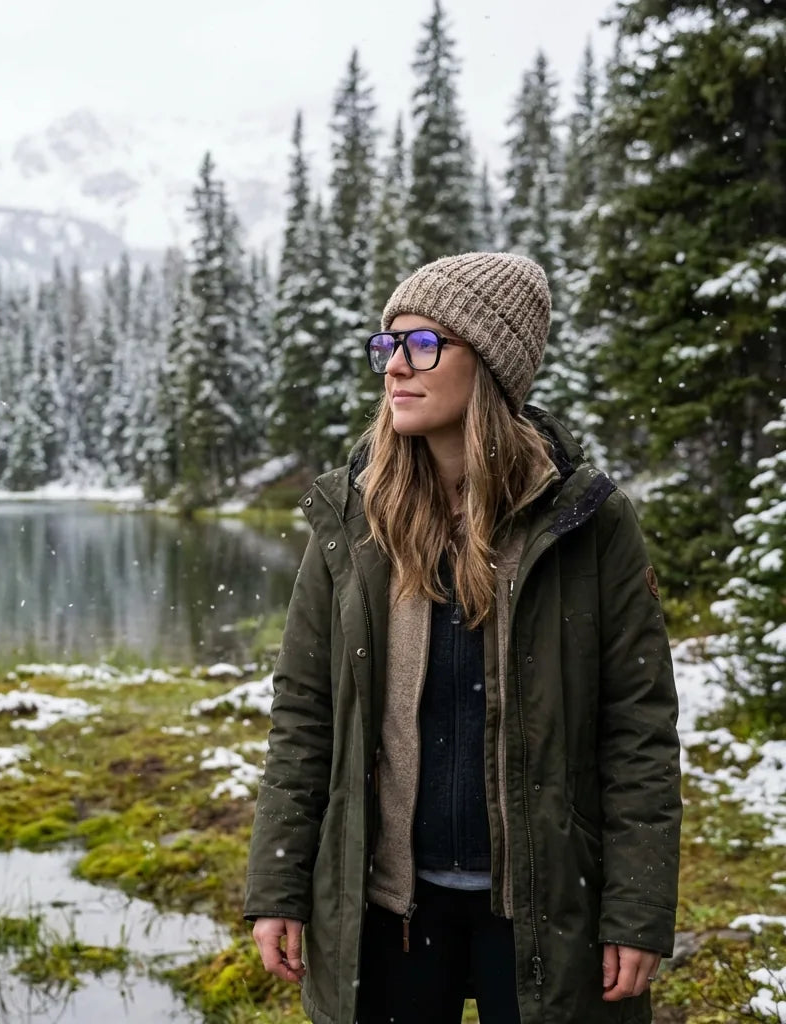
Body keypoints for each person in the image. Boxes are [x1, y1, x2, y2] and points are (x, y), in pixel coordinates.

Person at [244, 251, 682, 1024]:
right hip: (390, 906)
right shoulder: (355, 518)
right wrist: (278, 887)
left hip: (543, 903)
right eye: (387, 346)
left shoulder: (586, 520)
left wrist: (638, 908)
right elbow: (304, 711)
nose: (395, 368)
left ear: (491, 365)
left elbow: (638, 731)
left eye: (423, 345)